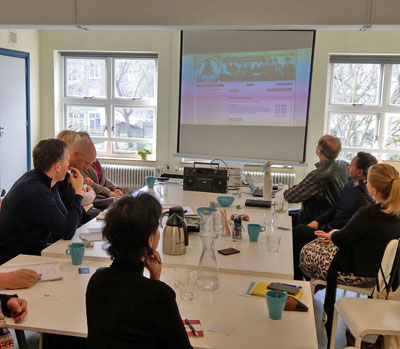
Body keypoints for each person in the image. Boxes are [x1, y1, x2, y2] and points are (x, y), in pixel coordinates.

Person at [299, 163, 400, 344]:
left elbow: (343, 239)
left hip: (354, 271)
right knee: (306, 234)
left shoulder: (369, 214)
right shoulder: (395, 214)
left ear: (374, 190)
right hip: (380, 277)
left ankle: (293, 293)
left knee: (301, 235)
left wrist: (332, 234)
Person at [86, 193, 192, 349]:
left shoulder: (97, 281)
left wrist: (154, 278)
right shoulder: (160, 295)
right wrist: (155, 282)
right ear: (150, 240)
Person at [292, 152, 377, 280]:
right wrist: (317, 221)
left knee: (297, 233)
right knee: (298, 230)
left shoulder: (363, 198)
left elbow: (354, 228)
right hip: (328, 230)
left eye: (352, 165)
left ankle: (298, 280)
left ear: (359, 172)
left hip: (335, 238)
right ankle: (298, 277)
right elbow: (336, 207)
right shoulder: (350, 184)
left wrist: (335, 236)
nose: (348, 166)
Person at [0, 139, 84, 264]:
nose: (69, 165)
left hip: (31, 252)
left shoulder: (40, 179)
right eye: (66, 160)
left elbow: (65, 220)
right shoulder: (35, 190)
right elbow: (67, 231)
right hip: (13, 260)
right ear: (58, 166)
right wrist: (78, 193)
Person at [284, 135, 348, 226]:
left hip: (315, 224)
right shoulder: (345, 166)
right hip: (334, 220)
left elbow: (290, 196)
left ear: (319, 151)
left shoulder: (317, 177)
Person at [77, 131, 123, 199]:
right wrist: (109, 192)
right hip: (95, 196)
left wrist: (115, 188)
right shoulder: (80, 165)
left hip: (103, 193)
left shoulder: (95, 161)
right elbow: (89, 184)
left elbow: (103, 180)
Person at [56, 130, 96, 208]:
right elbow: (77, 199)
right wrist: (92, 193)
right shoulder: (60, 174)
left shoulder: (68, 172)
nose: (86, 167)